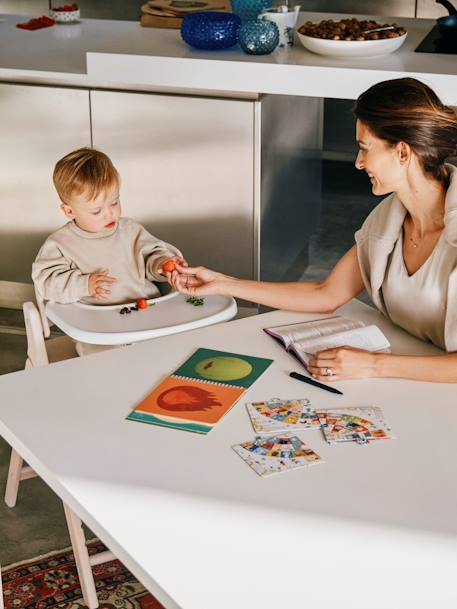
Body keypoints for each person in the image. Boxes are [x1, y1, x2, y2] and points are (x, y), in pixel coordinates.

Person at [170, 78, 457, 383]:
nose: (359, 163)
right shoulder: (388, 220)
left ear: (402, 153)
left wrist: (373, 366)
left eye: (365, 148)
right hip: (408, 378)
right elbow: (326, 294)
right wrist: (222, 283)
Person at [32, 147, 186, 306]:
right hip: (97, 321)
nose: (110, 214)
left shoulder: (130, 231)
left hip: (148, 307)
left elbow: (152, 255)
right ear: (69, 211)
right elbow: (46, 282)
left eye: (114, 203)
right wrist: (85, 285)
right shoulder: (60, 244)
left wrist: (161, 265)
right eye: (96, 211)